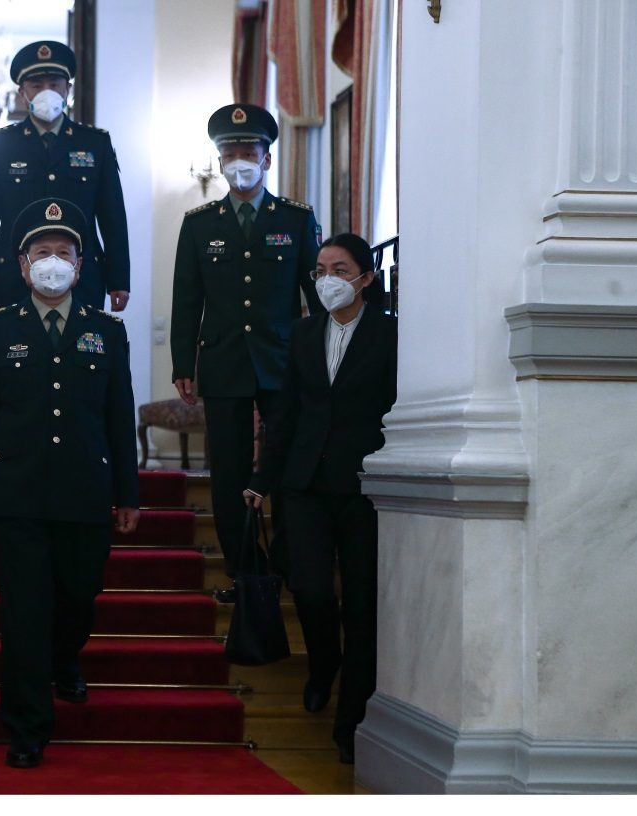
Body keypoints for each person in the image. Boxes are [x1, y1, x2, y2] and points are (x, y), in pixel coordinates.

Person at [0, 198, 140, 769]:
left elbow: (119, 416)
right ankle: (27, 727)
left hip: (85, 489)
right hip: (17, 491)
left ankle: (64, 659)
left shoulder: (105, 331)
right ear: (23, 264)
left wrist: (128, 494)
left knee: (79, 597)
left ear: (80, 267)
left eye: (64, 252)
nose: (53, 262)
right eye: (42, 252)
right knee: (24, 611)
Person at [243, 232, 397, 765]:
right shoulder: (304, 333)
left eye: (340, 269)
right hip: (304, 484)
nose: (327, 279)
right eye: (320, 270)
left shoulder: (391, 334)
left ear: (366, 279)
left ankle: (350, 720)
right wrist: (262, 479)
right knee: (308, 589)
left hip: (364, 488)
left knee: (361, 606)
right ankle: (323, 664)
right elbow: (285, 413)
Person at [169, 103, 324, 600]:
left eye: (248, 151)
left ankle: (288, 561)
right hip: (223, 361)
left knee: (289, 463)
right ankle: (245, 570)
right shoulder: (199, 224)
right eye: (230, 152)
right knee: (230, 471)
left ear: (267, 159)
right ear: (219, 161)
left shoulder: (296, 219)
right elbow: (186, 299)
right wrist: (182, 364)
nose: (239, 160)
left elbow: (316, 295)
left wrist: (323, 360)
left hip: (283, 361)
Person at [0, 40, 130, 314]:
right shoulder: (0, 145)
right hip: (14, 276)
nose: (47, 92)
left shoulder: (95, 143)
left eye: (54, 84)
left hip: (82, 276)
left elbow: (112, 217)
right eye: (37, 85)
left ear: (68, 89)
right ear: (22, 93)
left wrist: (119, 280)